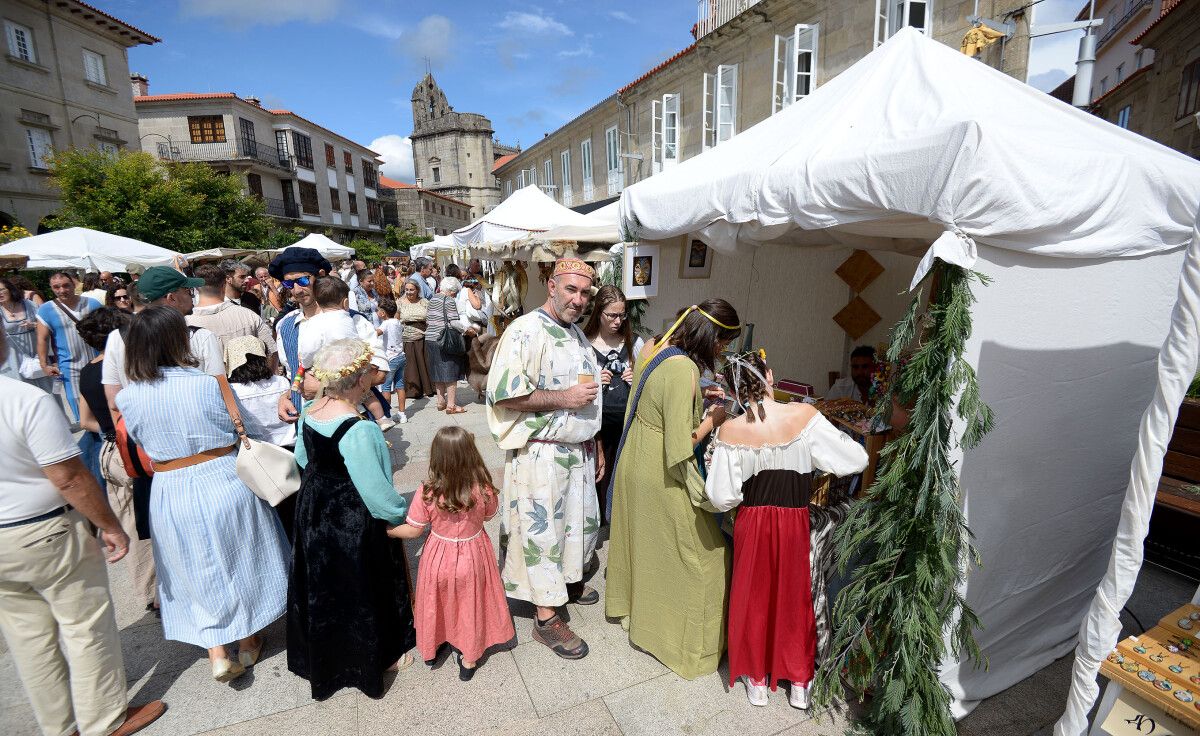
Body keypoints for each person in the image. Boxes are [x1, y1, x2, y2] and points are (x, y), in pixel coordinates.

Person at [0, 326, 167, 736]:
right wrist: (110, 525)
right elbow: (69, 476)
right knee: (84, 624)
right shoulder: (23, 399)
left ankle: (59, 726)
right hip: (43, 528)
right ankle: (104, 720)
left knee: (29, 639)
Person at [116, 306, 290, 684]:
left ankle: (215, 649)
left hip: (170, 485)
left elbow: (141, 443)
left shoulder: (130, 397)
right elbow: (231, 425)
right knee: (241, 556)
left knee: (190, 565)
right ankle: (247, 639)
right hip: (219, 473)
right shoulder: (205, 383)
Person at [705, 350, 868, 709]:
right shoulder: (804, 415)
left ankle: (758, 680)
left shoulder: (731, 429)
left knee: (754, 595)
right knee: (795, 596)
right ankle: (798, 680)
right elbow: (856, 460)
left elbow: (721, 497)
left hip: (753, 520)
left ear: (733, 391)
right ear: (770, 377)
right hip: (794, 517)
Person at [605, 299, 742, 679]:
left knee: (648, 546)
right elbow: (682, 444)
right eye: (722, 342)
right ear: (710, 334)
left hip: (636, 458)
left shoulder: (653, 344)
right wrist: (713, 419)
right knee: (707, 559)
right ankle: (688, 648)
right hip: (661, 470)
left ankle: (641, 618)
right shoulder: (684, 369)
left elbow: (654, 400)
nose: (722, 350)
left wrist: (698, 396)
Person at [485, 258, 603, 659]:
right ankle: (546, 617)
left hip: (577, 452)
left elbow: (588, 394)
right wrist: (565, 399)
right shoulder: (524, 330)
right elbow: (504, 393)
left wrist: (596, 441)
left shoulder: (574, 333)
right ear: (552, 286)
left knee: (573, 528)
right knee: (543, 534)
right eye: (571, 289)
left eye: (585, 293)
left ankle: (566, 581)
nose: (579, 299)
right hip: (542, 455)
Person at [289, 338, 416, 700]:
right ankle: (378, 656)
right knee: (362, 583)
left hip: (313, 508)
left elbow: (302, 458)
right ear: (360, 379)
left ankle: (326, 655)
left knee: (325, 582)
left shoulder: (310, 411)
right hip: (351, 518)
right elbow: (377, 493)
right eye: (369, 374)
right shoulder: (359, 428)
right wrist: (398, 515)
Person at [389, 426, 515, 680]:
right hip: (474, 552)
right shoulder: (485, 488)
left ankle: (434, 646)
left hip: (439, 555)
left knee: (438, 600)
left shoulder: (428, 491)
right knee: (469, 603)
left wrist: (387, 531)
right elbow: (489, 515)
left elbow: (414, 531)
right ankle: (469, 659)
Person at [76, 307, 158, 615]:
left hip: (109, 452)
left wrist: (110, 431)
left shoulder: (86, 372)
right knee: (148, 522)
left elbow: (84, 420)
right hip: (133, 450)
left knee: (130, 522)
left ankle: (147, 592)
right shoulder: (125, 366)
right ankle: (159, 591)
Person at [297, 277, 393, 430]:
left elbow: (308, 348)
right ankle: (382, 419)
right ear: (345, 302)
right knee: (366, 395)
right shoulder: (351, 318)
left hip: (329, 371)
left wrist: (306, 364)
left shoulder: (314, 323)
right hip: (355, 367)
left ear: (318, 304)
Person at [582, 285, 642, 521]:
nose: (618, 321)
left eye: (622, 314)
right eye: (612, 315)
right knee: (597, 471)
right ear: (599, 313)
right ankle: (596, 520)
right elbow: (576, 381)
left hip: (627, 421)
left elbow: (649, 379)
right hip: (597, 422)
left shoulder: (635, 343)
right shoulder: (585, 344)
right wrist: (595, 380)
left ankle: (620, 518)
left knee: (624, 472)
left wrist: (636, 377)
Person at [272, 247, 332, 423]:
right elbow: (293, 376)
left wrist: (325, 387)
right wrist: (285, 397)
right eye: (289, 284)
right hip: (305, 421)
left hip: (345, 420)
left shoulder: (348, 320)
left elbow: (377, 375)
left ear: (320, 276)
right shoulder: (286, 325)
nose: (297, 290)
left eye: (303, 280)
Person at [36, 271, 102, 420]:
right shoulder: (46, 310)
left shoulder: (92, 304)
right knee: (79, 406)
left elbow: (107, 330)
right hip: (69, 367)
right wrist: (44, 364)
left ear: (74, 284)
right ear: (51, 288)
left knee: (103, 399)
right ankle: (93, 436)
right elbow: (42, 338)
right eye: (56, 287)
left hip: (98, 362)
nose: (62, 290)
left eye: (66, 285)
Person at [187, 264, 277, 368]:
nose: (247, 280)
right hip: (248, 381)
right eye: (242, 277)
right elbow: (271, 351)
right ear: (225, 282)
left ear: (197, 288)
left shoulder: (185, 324)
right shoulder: (248, 315)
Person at [426, 276, 473, 414]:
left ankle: (440, 401)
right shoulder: (449, 300)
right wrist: (466, 329)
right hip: (444, 339)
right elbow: (453, 322)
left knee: (437, 370)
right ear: (451, 291)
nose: (455, 295)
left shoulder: (432, 299)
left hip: (430, 338)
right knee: (450, 371)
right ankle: (451, 405)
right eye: (455, 292)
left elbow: (428, 319)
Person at [0, 276, 54, 394]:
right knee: (20, 392)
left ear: (10, 289)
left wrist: (35, 325)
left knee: (45, 390)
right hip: (12, 358)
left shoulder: (29, 305)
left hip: (36, 353)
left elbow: (48, 325)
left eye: (2, 290)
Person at [397, 279, 434, 400]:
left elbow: (430, 319)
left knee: (424, 363)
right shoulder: (399, 303)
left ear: (417, 290)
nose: (408, 292)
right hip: (407, 336)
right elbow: (396, 321)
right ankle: (413, 390)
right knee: (411, 365)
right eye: (406, 289)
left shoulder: (424, 302)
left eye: (411, 289)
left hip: (422, 336)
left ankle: (428, 388)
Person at [376, 297, 408, 423]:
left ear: (383, 313)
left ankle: (387, 415)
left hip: (390, 359)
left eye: (378, 310)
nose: (377, 313)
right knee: (400, 386)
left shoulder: (385, 323)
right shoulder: (397, 322)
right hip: (401, 356)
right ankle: (402, 414)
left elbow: (378, 332)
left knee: (386, 387)